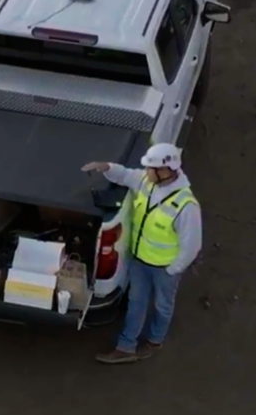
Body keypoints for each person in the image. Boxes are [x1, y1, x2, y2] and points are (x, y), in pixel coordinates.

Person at [82, 143, 202, 365]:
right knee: (136, 301)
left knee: (162, 305)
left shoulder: (186, 206)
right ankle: (126, 347)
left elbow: (192, 245)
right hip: (140, 260)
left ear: (165, 171)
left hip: (164, 268)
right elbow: (126, 175)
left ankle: (155, 341)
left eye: (150, 168)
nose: (145, 172)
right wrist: (105, 166)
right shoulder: (147, 181)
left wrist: (173, 269)